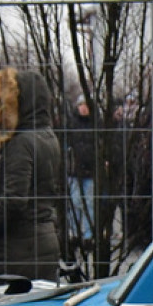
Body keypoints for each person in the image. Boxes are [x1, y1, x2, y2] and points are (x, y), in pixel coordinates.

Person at [0, 67, 62, 280]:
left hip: (21, 246)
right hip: (43, 237)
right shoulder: (47, 136)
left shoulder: (22, 143)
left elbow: (14, 200)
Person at [66, 93, 98, 245]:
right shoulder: (71, 124)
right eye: (81, 105)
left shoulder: (97, 124)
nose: (84, 108)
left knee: (90, 203)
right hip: (74, 171)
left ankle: (88, 236)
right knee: (74, 202)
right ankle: (73, 233)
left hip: (91, 171)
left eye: (86, 105)